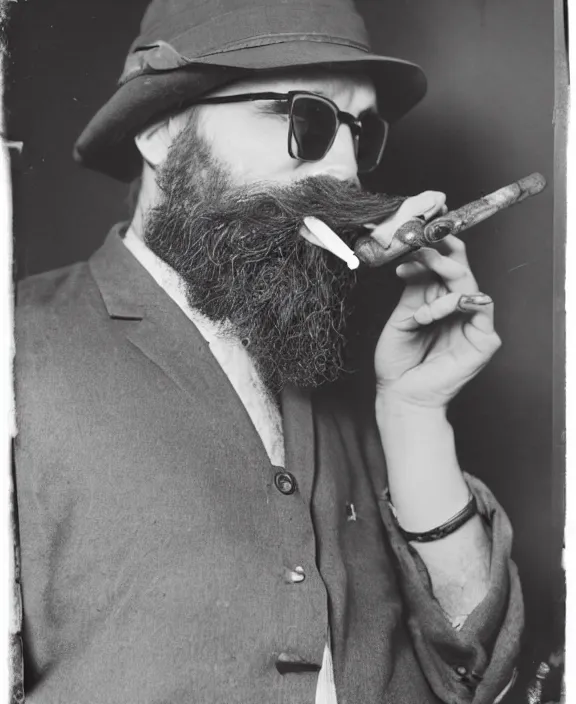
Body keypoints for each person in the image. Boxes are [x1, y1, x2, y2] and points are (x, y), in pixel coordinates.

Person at [13, 0, 523, 702]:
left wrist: (415, 415)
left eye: (362, 131)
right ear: (161, 130)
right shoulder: (18, 348)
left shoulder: (343, 362)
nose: (346, 171)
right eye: (305, 117)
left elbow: (473, 673)